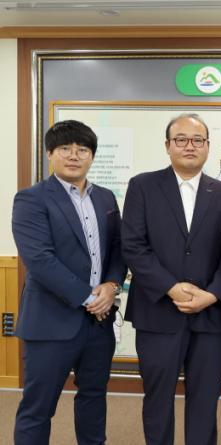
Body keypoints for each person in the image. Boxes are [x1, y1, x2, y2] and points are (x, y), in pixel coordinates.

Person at [122, 113, 221, 445]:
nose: (190, 146)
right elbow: (133, 245)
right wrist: (171, 287)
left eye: (197, 140)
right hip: (157, 312)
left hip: (208, 314)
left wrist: (213, 294)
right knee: (157, 398)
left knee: (205, 398)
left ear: (207, 146)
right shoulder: (142, 186)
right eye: (181, 139)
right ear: (167, 145)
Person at [12, 120, 126, 445]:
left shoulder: (105, 198)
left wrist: (112, 286)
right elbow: (40, 260)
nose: (74, 156)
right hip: (50, 322)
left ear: (92, 156)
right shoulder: (31, 199)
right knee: (38, 408)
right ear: (50, 153)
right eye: (65, 148)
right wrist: (92, 298)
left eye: (82, 149)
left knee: (93, 399)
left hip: (99, 326)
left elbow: (118, 249)